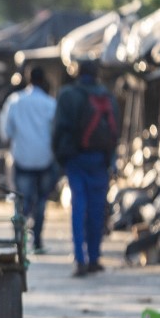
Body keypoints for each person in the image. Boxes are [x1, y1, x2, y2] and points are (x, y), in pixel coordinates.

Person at [52, 59, 120, 277]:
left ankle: (80, 259)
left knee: (78, 207)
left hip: (76, 160)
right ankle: (95, 257)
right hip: (100, 160)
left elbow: (58, 130)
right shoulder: (107, 96)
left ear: (76, 72)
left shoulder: (67, 95)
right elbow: (114, 132)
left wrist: (59, 157)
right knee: (96, 211)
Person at [0, 67, 58, 254]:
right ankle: (38, 240)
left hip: (22, 158)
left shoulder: (15, 102)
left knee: (21, 202)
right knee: (41, 202)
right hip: (45, 159)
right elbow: (56, 133)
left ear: (27, 79)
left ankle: (19, 242)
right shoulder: (50, 103)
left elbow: (6, 133)